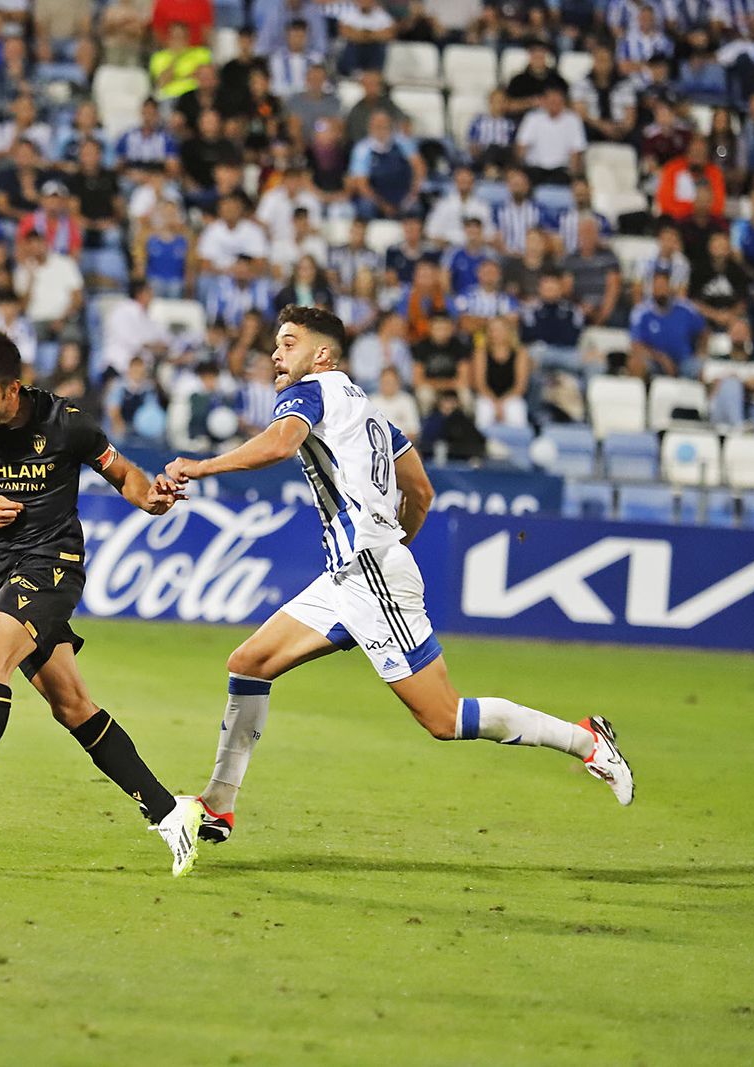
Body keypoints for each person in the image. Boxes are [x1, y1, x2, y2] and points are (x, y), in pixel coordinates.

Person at [155, 304, 634, 847]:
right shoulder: (375, 418)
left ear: (321, 355)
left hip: (371, 575)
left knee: (443, 717)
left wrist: (201, 465)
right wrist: (394, 541)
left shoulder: (310, 392)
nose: (275, 353)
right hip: (351, 575)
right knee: (249, 664)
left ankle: (586, 740)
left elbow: (280, 443)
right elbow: (422, 492)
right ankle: (219, 806)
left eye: (287, 343)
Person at [0, 329, 204, 877]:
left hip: (53, 564)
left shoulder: (65, 423)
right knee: (72, 706)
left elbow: (125, 475)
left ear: (13, 390)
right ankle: (169, 812)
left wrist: (151, 499)